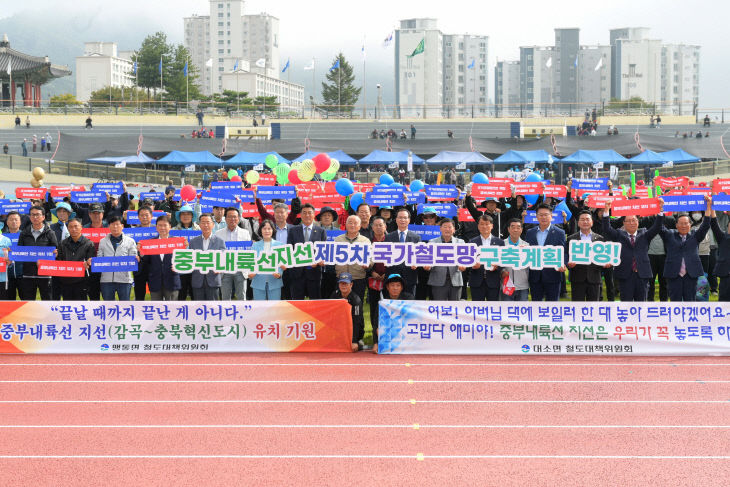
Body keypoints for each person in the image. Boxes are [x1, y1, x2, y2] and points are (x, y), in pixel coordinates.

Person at [602, 201, 663, 301]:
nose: (632, 223)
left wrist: (660, 211)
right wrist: (606, 211)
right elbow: (607, 228)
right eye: (628, 221)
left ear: (638, 222)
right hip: (625, 274)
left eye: (634, 220)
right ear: (624, 223)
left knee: (641, 303)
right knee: (626, 303)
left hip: (642, 274)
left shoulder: (645, 234)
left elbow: (657, 227)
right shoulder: (619, 234)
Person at [659, 195, 712, 302]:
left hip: (691, 274)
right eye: (681, 224)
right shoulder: (670, 235)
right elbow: (659, 227)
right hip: (674, 274)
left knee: (690, 300)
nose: (684, 226)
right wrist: (660, 209)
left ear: (690, 225)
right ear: (676, 225)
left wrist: (708, 207)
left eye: (686, 223)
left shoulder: (695, 235)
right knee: (675, 302)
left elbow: (705, 225)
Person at [524, 204, 566, 301]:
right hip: (535, 275)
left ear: (551, 216)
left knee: (552, 305)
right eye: (540, 215)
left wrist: (563, 263)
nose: (543, 217)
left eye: (546, 214)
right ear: (536, 216)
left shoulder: (560, 233)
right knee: (536, 304)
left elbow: (563, 251)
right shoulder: (530, 232)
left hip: (553, 274)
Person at [287, 203, 327, 299]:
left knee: (315, 302)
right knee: (297, 303)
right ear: (300, 215)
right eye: (304, 213)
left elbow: (323, 251)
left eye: (310, 213)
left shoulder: (321, 231)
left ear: (314, 215)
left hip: (314, 273)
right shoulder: (293, 230)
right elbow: (290, 250)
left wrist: (319, 262)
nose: (307, 215)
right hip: (297, 273)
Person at [18, 205, 58, 300]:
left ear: (43, 217)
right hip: (28, 274)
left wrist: (55, 253)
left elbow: (55, 250)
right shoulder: (23, 233)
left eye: (37, 215)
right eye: (32, 215)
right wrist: (13, 253)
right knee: (28, 303)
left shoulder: (50, 233)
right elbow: (20, 252)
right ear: (29, 217)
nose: (35, 217)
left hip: (45, 273)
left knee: (47, 301)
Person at [95, 216, 138, 301]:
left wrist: (136, 259)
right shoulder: (102, 241)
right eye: (112, 224)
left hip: (124, 279)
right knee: (108, 306)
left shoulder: (130, 241)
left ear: (122, 226)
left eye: (117, 224)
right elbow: (99, 258)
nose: (115, 227)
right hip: (106, 279)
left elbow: (132, 260)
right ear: (109, 226)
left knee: (124, 305)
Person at [566, 211, 606, 301]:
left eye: (587, 219)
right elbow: (566, 255)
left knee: (593, 308)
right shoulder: (571, 239)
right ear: (578, 222)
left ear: (592, 222)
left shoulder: (600, 239)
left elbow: (603, 257)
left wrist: (605, 263)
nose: (585, 222)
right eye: (582, 219)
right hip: (577, 278)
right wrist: (568, 264)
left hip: (594, 278)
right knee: (577, 307)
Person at [424, 218, 465, 301]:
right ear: (440, 228)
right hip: (438, 281)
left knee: (455, 309)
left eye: (450, 227)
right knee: (439, 309)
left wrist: (463, 266)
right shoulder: (432, 242)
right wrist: (428, 266)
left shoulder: (460, 242)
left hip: (455, 280)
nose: (447, 229)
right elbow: (429, 260)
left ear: (454, 229)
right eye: (445, 227)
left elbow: (464, 260)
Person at [142, 215, 181, 301]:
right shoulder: (150, 243)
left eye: (165, 225)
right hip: (155, 281)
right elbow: (146, 262)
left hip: (172, 281)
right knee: (156, 309)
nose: (162, 228)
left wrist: (178, 267)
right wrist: (141, 254)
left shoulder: (177, 242)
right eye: (160, 225)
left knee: (172, 310)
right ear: (156, 227)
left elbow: (183, 261)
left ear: (170, 227)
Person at [215, 207, 251, 300]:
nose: (232, 219)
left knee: (242, 296)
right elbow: (216, 251)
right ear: (225, 218)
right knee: (225, 297)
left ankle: (243, 313)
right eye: (230, 217)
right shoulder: (218, 234)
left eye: (235, 217)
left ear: (238, 218)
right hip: (225, 270)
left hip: (240, 269)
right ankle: (227, 313)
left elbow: (249, 251)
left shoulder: (245, 233)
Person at [188, 213, 226, 300]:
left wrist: (220, 269)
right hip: (197, 280)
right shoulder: (193, 242)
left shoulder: (220, 241)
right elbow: (190, 260)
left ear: (213, 224)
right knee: (198, 308)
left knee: (213, 309)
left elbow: (224, 260)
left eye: (208, 222)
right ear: (199, 225)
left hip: (213, 279)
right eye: (203, 222)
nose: (205, 225)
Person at [384, 208, 421, 296]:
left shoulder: (416, 238)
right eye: (400, 218)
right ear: (396, 220)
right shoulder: (389, 237)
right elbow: (386, 255)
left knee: (409, 303)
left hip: (410, 276)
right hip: (393, 277)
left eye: (405, 218)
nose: (402, 220)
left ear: (409, 220)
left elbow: (419, 256)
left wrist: (417, 263)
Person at [334, 215, 371, 302]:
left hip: (358, 277)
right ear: (346, 225)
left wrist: (368, 263)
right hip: (341, 277)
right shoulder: (337, 240)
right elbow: (331, 256)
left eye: (355, 223)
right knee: (340, 305)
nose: (352, 225)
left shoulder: (365, 241)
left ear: (360, 226)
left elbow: (371, 257)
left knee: (357, 304)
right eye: (350, 223)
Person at [469, 215, 506, 301]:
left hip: (493, 281)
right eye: (481, 224)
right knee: (477, 309)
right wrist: (472, 265)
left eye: (487, 224)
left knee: (493, 308)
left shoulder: (499, 242)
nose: (484, 226)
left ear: (492, 226)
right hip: (476, 281)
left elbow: (503, 261)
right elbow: (468, 261)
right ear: (478, 226)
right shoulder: (472, 242)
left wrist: (498, 266)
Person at [56, 218, 95, 300]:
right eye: (70, 227)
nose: (73, 229)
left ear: (81, 227)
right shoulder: (62, 244)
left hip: (82, 281)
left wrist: (88, 263)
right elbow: (59, 262)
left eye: (76, 226)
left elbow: (91, 262)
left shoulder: (89, 243)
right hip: (65, 281)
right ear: (68, 228)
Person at [250, 220, 286, 300]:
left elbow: (282, 262)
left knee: (274, 308)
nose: (267, 231)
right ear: (261, 230)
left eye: (269, 228)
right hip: (258, 281)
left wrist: (279, 274)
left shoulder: (279, 245)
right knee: (259, 309)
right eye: (264, 228)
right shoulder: (255, 245)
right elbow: (251, 262)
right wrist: (251, 273)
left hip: (274, 281)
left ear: (273, 230)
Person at [329, 273, 364, 352]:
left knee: (354, 347)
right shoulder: (334, 295)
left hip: (352, 328)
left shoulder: (356, 300)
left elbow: (357, 321)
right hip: (339, 328)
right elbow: (330, 314)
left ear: (351, 284)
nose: (343, 286)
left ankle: (359, 341)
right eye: (341, 283)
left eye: (346, 283)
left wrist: (354, 341)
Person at [501, 218, 530, 301]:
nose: (515, 230)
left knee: (522, 311)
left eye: (518, 227)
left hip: (523, 285)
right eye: (513, 227)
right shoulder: (501, 245)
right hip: (506, 284)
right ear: (508, 229)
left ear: (521, 229)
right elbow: (497, 263)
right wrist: (502, 271)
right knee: (506, 311)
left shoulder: (527, 246)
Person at [83, 204, 107, 300]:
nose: (96, 215)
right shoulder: (84, 229)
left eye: (99, 213)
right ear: (89, 214)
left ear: (103, 214)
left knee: (108, 296)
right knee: (93, 295)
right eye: (94, 213)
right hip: (90, 267)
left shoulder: (109, 227)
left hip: (106, 266)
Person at [3, 212, 23, 300]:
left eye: (16, 219)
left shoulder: (26, 235)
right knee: (9, 300)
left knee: (26, 299)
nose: (14, 222)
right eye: (11, 220)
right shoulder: (2, 237)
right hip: (7, 275)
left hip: (23, 275)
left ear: (20, 222)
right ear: (7, 222)